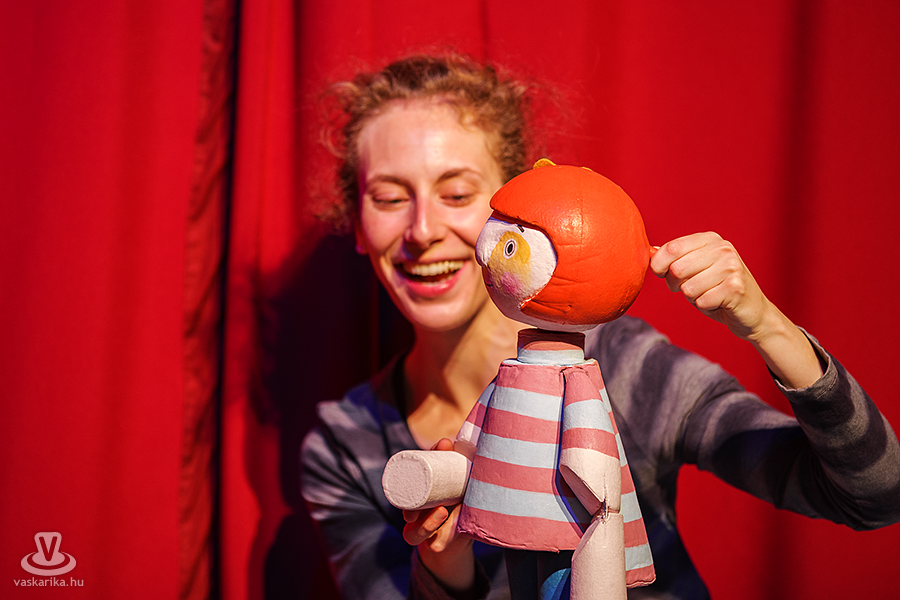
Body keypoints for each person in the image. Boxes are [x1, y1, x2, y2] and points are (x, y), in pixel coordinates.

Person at [300, 52, 900, 600]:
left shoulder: (631, 371)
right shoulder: (345, 445)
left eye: (457, 194)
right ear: (358, 224)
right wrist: (442, 569)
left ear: (519, 204)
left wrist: (767, 325)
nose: (423, 230)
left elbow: (875, 494)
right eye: (388, 198)